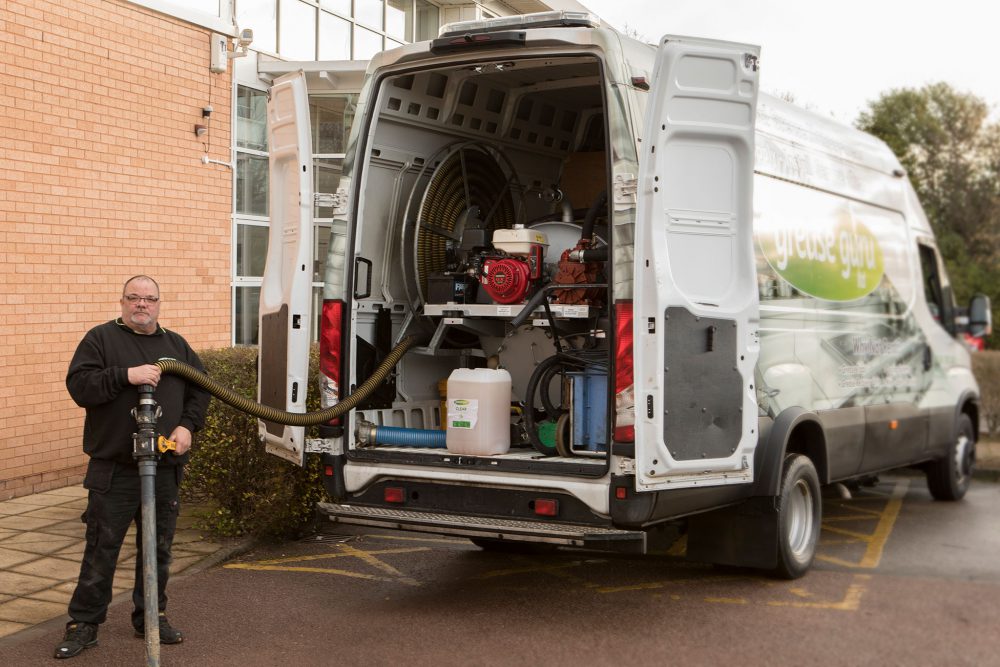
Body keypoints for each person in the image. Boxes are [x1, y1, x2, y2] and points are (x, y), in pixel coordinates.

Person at [55, 276, 210, 659]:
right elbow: (80, 386)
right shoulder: (100, 339)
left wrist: (187, 425)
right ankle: (84, 625)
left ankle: (151, 618)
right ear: (123, 302)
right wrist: (126, 375)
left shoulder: (176, 346)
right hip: (115, 468)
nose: (142, 304)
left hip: (164, 466)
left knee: (158, 547)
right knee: (101, 547)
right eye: (134, 298)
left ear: (160, 303)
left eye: (149, 299)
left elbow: (201, 388)